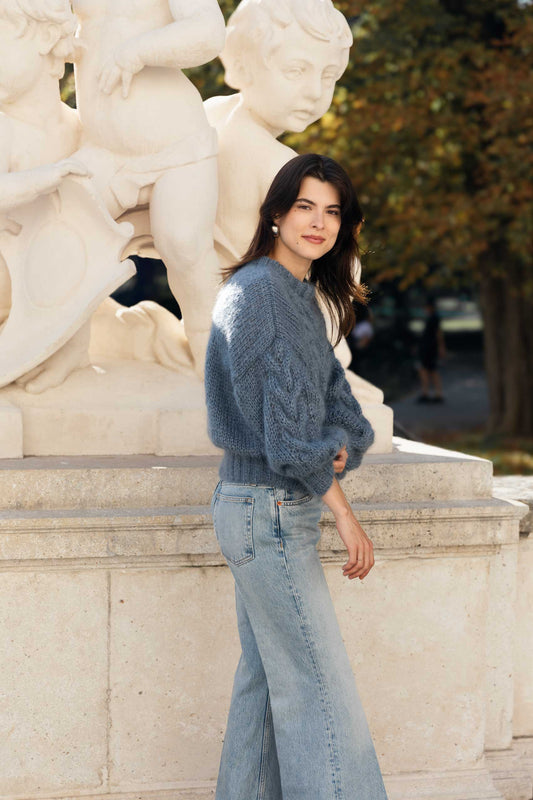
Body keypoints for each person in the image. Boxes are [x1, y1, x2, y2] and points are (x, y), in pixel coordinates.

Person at [205, 154, 389, 800]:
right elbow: (289, 441)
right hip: (269, 509)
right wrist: (342, 510)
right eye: (305, 206)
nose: (318, 222)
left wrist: (334, 446)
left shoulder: (295, 297)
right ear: (276, 214)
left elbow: (345, 416)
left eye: (332, 210)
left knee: (265, 686)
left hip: (264, 508)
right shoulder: (257, 295)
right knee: (319, 691)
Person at [416, 296, 446, 403]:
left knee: (429, 370)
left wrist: (441, 347)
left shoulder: (434, 318)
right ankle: (429, 392)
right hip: (428, 347)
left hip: (430, 348)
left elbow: (438, 333)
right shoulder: (431, 317)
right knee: (428, 369)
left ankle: (432, 392)